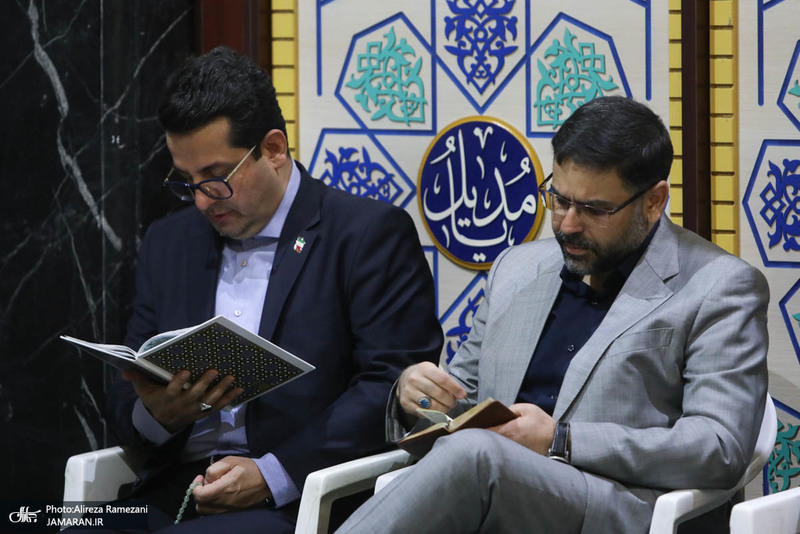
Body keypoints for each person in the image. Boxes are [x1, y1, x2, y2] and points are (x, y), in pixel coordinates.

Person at [336, 96, 769, 533]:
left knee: (475, 456)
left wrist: (561, 440)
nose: (567, 225)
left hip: (622, 507)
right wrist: (420, 399)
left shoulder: (719, 286)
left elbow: (720, 448)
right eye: (559, 200)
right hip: (498, 500)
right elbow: (462, 404)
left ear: (654, 201)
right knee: (471, 454)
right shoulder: (516, 268)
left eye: (594, 210)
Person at [104, 46, 443, 533]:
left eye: (215, 178)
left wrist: (271, 474)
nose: (201, 201)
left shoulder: (366, 235)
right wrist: (156, 415)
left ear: (274, 149)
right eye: (186, 181)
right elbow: (125, 383)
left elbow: (387, 390)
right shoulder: (169, 242)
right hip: (172, 489)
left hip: (296, 499)